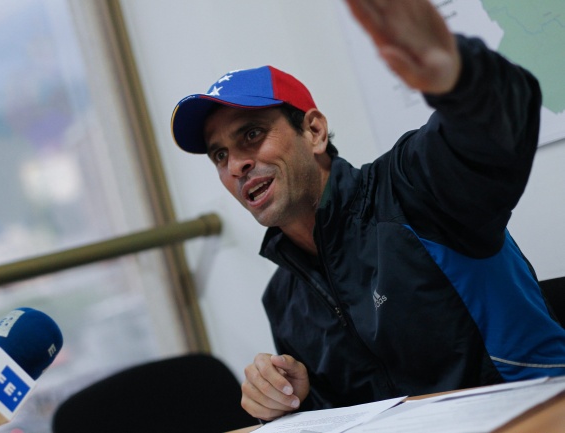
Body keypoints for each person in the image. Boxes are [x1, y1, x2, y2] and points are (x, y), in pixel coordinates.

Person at [171, 0, 565, 422]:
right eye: (219, 155)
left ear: (314, 131)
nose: (236, 165)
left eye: (252, 134)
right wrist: (290, 401)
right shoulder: (283, 299)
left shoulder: (413, 187)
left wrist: (458, 72)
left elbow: (496, 129)